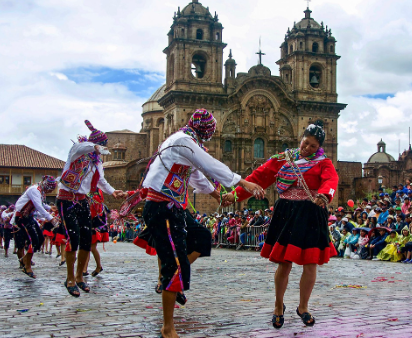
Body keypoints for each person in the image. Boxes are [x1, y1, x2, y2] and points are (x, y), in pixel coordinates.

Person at [138, 109, 263, 338]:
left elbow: (195, 175)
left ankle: (174, 276)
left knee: (202, 237)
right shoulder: (183, 141)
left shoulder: (186, 141)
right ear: (206, 131)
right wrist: (243, 182)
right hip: (162, 207)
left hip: (173, 206)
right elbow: (209, 164)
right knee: (173, 266)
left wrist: (217, 195)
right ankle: (168, 325)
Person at [224, 121, 338, 329]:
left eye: (313, 146)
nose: (307, 148)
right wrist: (234, 195)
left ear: (319, 147)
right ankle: (278, 305)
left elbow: (331, 180)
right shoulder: (283, 159)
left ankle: (303, 307)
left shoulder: (323, 162)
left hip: (311, 213)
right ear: (301, 139)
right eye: (306, 143)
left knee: (310, 264)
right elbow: (258, 177)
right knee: (284, 262)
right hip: (287, 212)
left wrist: (325, 194)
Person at [57, 120, 124, 297]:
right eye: (101, 145)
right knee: (73, 237)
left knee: (86, 239)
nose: (102, 148)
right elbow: (85, 146)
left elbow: (101, 181)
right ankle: (70, 278)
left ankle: (80, 277)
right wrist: (94, 144)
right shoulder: (77, 151)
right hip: (66, 199)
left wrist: (113, 191)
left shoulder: (97, 162)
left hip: (82, 200)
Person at [13, 176, 59, 278]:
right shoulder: (35, 190)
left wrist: (49, 208)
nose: (50, 191)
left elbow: (41, 204)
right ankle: (27, 265)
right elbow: (38, 205)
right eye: (49, 189)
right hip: (21, 217)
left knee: (40, 239)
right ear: (46, 186)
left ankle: (25, 260)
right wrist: (50, 218)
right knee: (33, 240)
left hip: (28, 217)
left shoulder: (40, 190)